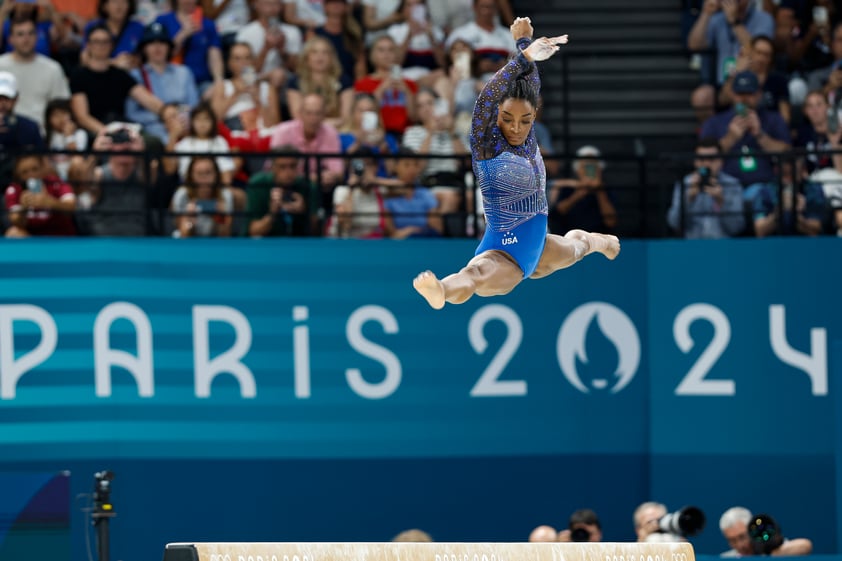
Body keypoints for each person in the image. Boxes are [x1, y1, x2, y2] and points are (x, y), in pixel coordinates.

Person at [412, 17, 619, 310]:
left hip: (539, 246)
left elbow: (529, 80)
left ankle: (600, 242)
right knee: (476, 275)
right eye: (507, 119)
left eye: (524, 120)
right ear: (497, 114)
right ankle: (441, 290)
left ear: (535, 115)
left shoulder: (527, 130)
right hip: (502, 250)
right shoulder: (486, 141)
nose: (516, 128)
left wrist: (525, 42)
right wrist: (524, 53)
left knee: (577, 247)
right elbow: (486, 97)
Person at [125, 21, 199, 144]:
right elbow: (131, 113)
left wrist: (182, 120)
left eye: (162, 42)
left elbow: (194, 106)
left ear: (169, 47)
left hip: (184, 130)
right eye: (152, 43)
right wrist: (164, 117)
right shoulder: (135, 75)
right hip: (151, 132)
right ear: (144, 48)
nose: (157, 47)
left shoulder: (183, 72)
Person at [0, 14, 70, 131]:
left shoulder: (53, 68)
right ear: (10, 39)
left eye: (30, 33)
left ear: (37, 37)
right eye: (20, 34)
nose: (26, 39)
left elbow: (61, 108)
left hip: (43, 135)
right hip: (4, 132)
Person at [667, 137, 746, 239]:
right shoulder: (685, 184)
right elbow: (674, 224)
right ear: (695, 162)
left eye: (711, 159)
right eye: (701, 159)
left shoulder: (732, 185)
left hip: (723, 248)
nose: (706, 164)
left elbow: (736, 228)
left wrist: (721, 202)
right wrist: (688, 199)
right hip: (693, 248)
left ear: (721, 161)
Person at [548, 145, 618, 235]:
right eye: (585, 166)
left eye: (593, 166)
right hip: (571, 239)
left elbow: (611, 222)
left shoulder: (606, 190)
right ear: (577, 170)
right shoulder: (567, 189)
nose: (588, 170)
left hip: (599, 239)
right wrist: (579, 193)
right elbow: (557, 215)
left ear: (599, 169)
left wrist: (600, 191)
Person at [246, 145, 315, 237]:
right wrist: (272, 214)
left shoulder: (309, 187)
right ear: (272, 168)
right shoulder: (258, 185)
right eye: (282, 167)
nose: (288, 172)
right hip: (265, 246)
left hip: (300, 246)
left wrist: (304, 211)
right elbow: (254, 231)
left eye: (293, 166)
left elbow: (317, 233)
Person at [4, 154, 77, 237]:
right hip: (32, 239)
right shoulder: (14, 189)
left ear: (42, 169)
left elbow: (72, 207)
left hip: (60, 236)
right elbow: (15, 221)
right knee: (13, 233)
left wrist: (50, 202)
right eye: (25, 172)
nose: (30, 174)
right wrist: (23, 209)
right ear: (18, 174)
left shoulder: (55, 182)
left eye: (35, 169)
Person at [170, 155, 233, 237]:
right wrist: (190, 220)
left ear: (216, 175)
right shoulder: (182, 194)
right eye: (199, 173)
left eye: (208, 172)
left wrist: (220, 218)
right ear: (191, 176)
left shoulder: (225, 195)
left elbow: (225, 237)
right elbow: (183, 234)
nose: (204, 178)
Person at [719, 506, 814, 557]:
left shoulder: (772, 551)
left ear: (752, 530)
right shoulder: (726, 558)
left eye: (742, 537)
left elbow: (805, 546)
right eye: (732, 540)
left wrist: (768, 556)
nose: (740, 545)